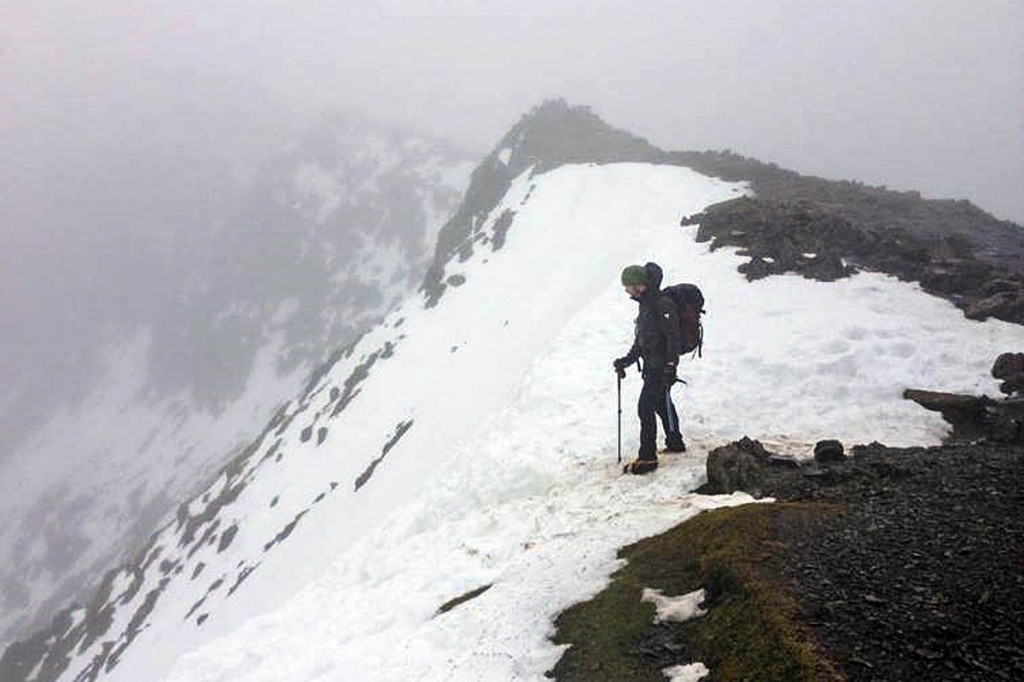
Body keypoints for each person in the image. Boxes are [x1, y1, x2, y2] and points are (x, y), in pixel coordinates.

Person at [613, 263, 687, 475]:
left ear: (639, 285)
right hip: (653, 366)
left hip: (661, 367)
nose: (627, 291)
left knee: (645, 407)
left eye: (628, 286)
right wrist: (625, 361)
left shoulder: (662, 304)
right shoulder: (646, 305)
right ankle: (675, 442)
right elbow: (642, 341)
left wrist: (671, 366)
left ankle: (647, 458)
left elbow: (673, 337)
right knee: (661, 404)